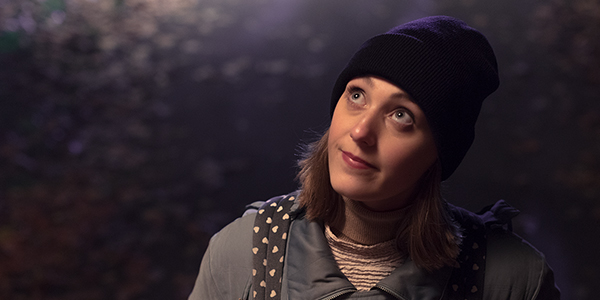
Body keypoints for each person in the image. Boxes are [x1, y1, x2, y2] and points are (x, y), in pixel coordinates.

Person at [188, 16, 561, 300]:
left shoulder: (513, 280)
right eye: (357, 96)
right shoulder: (243, 253)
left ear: (440, 151)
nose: (361, 131)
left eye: (401, 116)